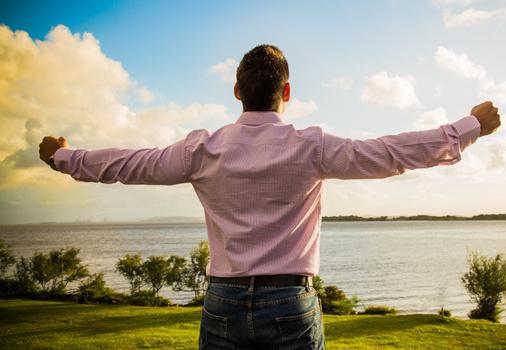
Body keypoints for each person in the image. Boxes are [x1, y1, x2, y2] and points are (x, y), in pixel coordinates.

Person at [39, 44, 501, 349]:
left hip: (222, 305)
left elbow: (129, 164)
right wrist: (469, 126)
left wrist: (65, 157)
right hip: (289, 305)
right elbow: (386, 153)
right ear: (287, 92)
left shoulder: (202, 150)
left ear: (237, 91)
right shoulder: (309, 147)